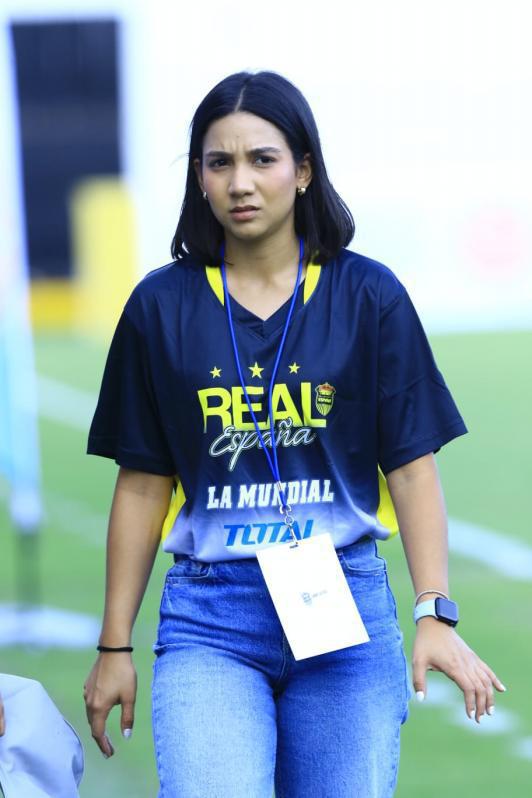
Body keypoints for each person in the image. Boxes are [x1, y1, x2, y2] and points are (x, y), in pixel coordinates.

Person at [83, 71, 506, 797]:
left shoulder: (369, 296)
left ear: (304, 170)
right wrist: (114, 643)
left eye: (263, 159)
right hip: (210, 618)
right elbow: (143, 483)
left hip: (344, 610)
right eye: (220, 162)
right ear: (200, 177)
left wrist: (435, 610)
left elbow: (412, 466)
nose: (241, 182)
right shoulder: (159, 305)